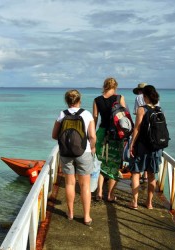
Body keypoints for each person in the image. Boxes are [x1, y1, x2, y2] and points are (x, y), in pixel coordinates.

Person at [52, 89, 96, 225]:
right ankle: (86, 217)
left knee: (69, 183)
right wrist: (92, 147)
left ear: (67, 101)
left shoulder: (62, 114)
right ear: (79, 100)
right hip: (84, 152)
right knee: (85, 185)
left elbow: (54, 135)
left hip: (66, 152)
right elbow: (92, 136)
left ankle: (70, 213)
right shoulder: (87, 114)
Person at [128, 85, 163, 210]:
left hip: (142, 146)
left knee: (136, 172)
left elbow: (137, 128)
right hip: (156, 147)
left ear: (145, 96)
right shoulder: (159, 109)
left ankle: (135, 202)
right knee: (152, 175)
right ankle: (149, 203)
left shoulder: (142, 109)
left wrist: (132, 144)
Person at [93, 77, 127, 202]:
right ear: (115, 86)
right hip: (116, 134)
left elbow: (95, 119)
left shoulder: (97, 100)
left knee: (101, 163)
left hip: (101, 132)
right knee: (114, 164)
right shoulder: (119, 98)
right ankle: (110, 195)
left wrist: (92, 136)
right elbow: (124, 118)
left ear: (104, 86)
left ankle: (99, 192)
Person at [133, 82, 148, 182]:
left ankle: (137, 176)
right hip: (152, 128)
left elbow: (136, 112)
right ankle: (146, 176)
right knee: (148, 151)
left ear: (139, 90)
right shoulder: (154, 98)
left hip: (141, 127)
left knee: (138, 153)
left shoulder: (138, 97)